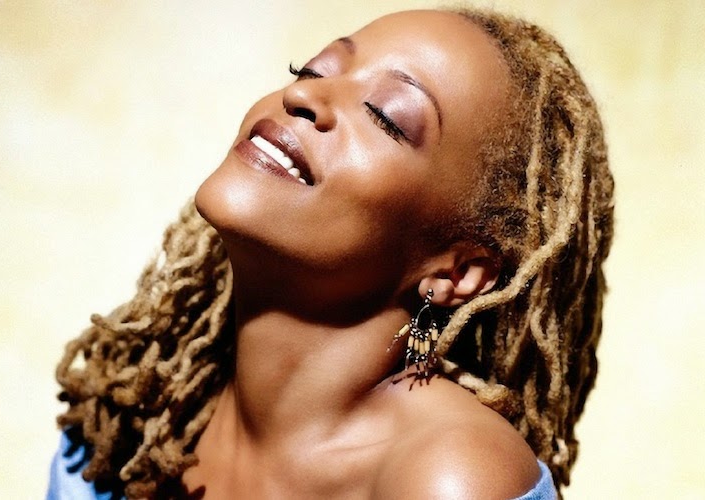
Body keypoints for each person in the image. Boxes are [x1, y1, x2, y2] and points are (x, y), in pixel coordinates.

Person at [49, 7, 614, 500]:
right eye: (313, 69)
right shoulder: (133, 413)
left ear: (459, 272)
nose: (301, 96)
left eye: (386, 116)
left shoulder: (452, 474)